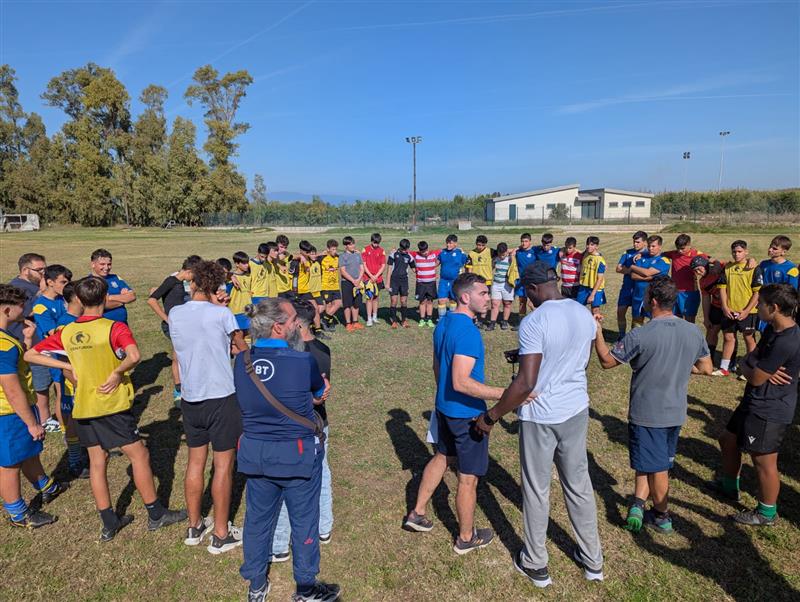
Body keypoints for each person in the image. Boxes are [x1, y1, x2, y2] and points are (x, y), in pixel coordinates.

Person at [25, 276, 186, 541]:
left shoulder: (67, 332)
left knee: (98, 461)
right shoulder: (113, 328)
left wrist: (66, 366)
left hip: (84, 406)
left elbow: (31, 355)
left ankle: (108, 520)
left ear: (78, 299)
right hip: (111, 405)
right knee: (140, 455)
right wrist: (116, 373)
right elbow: (134, 356)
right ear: (104, 299)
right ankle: (156, 514)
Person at [475, 261, 604, 589]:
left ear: (532, 289)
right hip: (576, 409)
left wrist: (491, 416)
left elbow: (526, 384)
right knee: (578, 484)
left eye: (525, 293)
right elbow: (573, 356)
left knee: (536, 490)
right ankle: (593, 561)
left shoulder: (534, 321)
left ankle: (535, 563)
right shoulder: (583, 312)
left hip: (541, 416)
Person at [234, 299, 338, 602]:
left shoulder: (241, 362)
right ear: (279, 327)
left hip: (255, 453)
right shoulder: (302, 361)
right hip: (296, 455)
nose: (299, 325)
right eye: (294, 320)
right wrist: (318, 396)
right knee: (304, 520)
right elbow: (318, 394)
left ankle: (256, 583)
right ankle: (306, 587)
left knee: (256, 520)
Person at [593, 278, 712, 534]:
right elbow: (706, 368)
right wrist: (679, 366)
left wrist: (598, 333)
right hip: (676, 412)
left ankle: (661, 515)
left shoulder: (641, 334)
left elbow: (606, 361)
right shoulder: (693, 331)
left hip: (648, 413)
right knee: (653, 461)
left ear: (653, 301)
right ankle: (638, 502)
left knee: (657, 468)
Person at [403, 273, 504, 555]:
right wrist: (507, 395)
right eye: (483, 293)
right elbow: (462, 382)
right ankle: (465, 537)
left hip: (444, 406)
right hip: (467, 415)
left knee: (442, 456)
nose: (488, 298)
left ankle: (417, 513)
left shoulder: (443, 322)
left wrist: (443, 397)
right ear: (465, 297)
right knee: (468, 478)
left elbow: (438, 368)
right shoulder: (469, 332)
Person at [169, 260, 248, 554]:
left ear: (192, 284)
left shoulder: (176, 313)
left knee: (195, 462)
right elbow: (242, 348)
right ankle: (220, 533)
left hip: (191, 398)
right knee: (224, 467)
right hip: (221, 397)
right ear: (216, 287)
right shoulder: (223, 314)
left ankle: (194, 526)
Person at [715, 284, 800, 526]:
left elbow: (754, 375)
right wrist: (751, 364)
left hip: (769, 408)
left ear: (773, 308)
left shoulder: (787, 341)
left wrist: (750, 366)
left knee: (763, 461)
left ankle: (766, 513)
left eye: (760, 304)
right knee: (727, 439)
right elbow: (752, 359)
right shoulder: (773, 330)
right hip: (754, 400)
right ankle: (730, 487)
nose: (756, 307)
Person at [271, 299, 334, 562]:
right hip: (319, 423)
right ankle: (324, 527)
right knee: (322, 474)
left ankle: (279, 543)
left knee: (284, 481)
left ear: (297, 324)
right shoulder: (322, 349)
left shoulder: (289, 355)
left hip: (292, 426)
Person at [0, 284, 67, 528]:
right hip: (9, 412)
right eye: (21, 307)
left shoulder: (7, 338)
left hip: (13, 409)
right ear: (8, 310)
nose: (25, 311)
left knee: (26, 451)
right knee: (9, 464)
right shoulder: (3, 345)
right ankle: (18, 514)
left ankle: (47, 486)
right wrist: (31, 422)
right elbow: (11, 387)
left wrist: (27, 340)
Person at [7, 252, 60, 433]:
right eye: (40, 270)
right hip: (28, 344)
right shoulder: (18, 287)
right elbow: (28, 311)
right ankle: (44, 419)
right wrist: (44, 292)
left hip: (39, 343)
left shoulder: (32, 284)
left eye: (45, 269)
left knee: (45, 381)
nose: (44, 274)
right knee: (40, 384)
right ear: (25, 270)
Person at [147, 255, 201, 405]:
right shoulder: (171, 281)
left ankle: (189, 385)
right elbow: (151, 300)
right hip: (173, 325)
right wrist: (166, 319)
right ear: (190, 271)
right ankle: (179, 390)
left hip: (184, 324)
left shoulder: (183, 283)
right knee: (178, 356)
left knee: (186, 354)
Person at [714, 240, 763, 377]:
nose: (736, 254)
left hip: (748, 312)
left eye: (740, 251)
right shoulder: (728, 268)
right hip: (730, 310)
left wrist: (747, 310)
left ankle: (750, 368)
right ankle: (724, 368)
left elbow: (757, 292)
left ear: (746, 252)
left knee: (749, 339)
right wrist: (724, 307)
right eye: (734, 252)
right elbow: (722, 289)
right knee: (728, 338)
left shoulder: (754, 268)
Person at [31, 265, 72, 427]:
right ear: (50, 282)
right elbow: (52, 333)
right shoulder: (41, 306)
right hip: (55, 355)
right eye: (63, 282)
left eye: (68, 282)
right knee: (62, 391)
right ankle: (66, 430)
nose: (66, 285)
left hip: (69, 351)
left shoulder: (63, 299)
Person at [56, 281, 88, 478]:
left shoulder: (81, 319)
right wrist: (78, 385)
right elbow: (63, 361)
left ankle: (93, 449)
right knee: (72, 423)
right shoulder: (64, 325)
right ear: (77, 298)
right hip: (72, 384)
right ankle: (75, 460)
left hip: (85, 381)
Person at [757, 236, 798, 331]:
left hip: (778, 308)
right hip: (764, 305)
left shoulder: (791, 269)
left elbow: (791, 293)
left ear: (783, 252)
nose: (770, 249)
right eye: (770, 246)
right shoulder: (763, 264)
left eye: (775, 248)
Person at [629, 235, 671, 327]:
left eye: (653, 246)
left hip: (654, 297)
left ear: (660, 246)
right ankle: (636, 340)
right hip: (638, 295)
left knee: (655, 320)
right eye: (649, 246)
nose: (650, 248)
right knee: (636, 320)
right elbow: (633, 275)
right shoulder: (641, 258)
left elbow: (647, 273)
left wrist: (632, 266)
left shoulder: (664, 260)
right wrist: (649, 278)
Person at [664, 234, 705, 323]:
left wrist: (702, 267)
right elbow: (658, 254)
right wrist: (642, 254)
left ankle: (689, 337)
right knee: (675, 320)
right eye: (678, 248)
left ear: (689, 245)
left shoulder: (696, 254)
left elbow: (709, 260)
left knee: (689, 321)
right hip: (674, 291)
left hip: (689, 293)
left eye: (682, 248)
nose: (680, 251)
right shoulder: (674, 253)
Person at [693, 256, 725, 366]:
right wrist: (706, 318)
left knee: (729, 335)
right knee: (711, 331)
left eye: (699, 268)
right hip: (716, 306)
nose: (698, 272)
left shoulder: (719, 269)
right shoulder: (702, 282)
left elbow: (724, 262)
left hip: (731, 306)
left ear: (706, 266)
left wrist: (714, 260)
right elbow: (706, 300)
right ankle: (709, 357)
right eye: (695, 270)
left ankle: (730, 361)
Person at [615, 231, 648, 340]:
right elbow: (618, 268)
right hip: (626, 288)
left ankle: (634, 338)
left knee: (637, 316)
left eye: (638, 242)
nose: (635, 244)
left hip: (640, 290)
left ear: (645, 242)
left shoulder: (648, 255)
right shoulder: (628, 252)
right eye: (634, 242)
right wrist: (631, 271)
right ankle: (621, 335)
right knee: (620, 311)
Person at [89, 248, 136, 323]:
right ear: (93, 264)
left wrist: (110, 297)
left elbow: (132, 296)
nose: (106, 268)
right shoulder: (88, 282)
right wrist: (123, 299)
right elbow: (100, 305)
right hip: (103, 326)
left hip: (122, 325)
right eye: (102, 264)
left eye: (109, 264)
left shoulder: (115, 278)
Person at [437, 234, 468, 320]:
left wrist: (465, 277)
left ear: (455, 244)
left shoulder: (460, 253)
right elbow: (436, 263)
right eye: (447, 243)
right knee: (441, 300)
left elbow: (468, 265)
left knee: (453, 300)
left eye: (450, 243)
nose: (448, 245)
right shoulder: (442, 252)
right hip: (443, 280)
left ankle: (451, 318)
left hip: (455, 281)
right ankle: (441, 319)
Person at [386, 239, 416, 329]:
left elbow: (414, 269)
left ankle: (404, 320)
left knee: (403, 301)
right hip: (394, 280)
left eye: (406, 249)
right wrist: (387, 283)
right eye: (403, 249)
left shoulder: (409, 256)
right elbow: (389, 269)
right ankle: (394, 321)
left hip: (404, 281)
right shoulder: (393, 254)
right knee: (394, 301)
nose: (405, 251)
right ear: (400, 247)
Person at [466, 235, 493, 328]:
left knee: (484, 301)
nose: (479, 247)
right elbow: (469, 268)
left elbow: (503, 251)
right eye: (478, 245)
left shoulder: (490, 251)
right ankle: (474, 318)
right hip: (476, 282)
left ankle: (481, 320)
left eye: (482, 245)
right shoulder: (471, 253)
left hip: (487, 282)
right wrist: (470, 280)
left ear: (485, 245)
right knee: (474, 301)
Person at [410, 241, 439, 328]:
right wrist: (396, 250)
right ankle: (422, 319)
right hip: (421, 283)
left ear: (428, 248)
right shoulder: (415, 254)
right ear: (419, 251)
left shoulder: (433, 253)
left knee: (430, 301)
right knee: (422, 301)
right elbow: (405, 251)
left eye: (426, 251)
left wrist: (458, 249)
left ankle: (429, 319)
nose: (425, 253)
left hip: (431, 283)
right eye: (423, 252)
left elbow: (444, 251)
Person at [576, 236, 606, 316]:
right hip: (584, 287)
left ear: (597, 246)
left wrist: (592, 295)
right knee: (578, 308)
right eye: (587, 244)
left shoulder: (600, 260)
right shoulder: (585, 254)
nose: (589, 246)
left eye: (592, 244)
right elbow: (578, 252)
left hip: (596, 289)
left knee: (595, 311)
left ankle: (597, 328)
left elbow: (600, 279)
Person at [339, 236, 365, 331]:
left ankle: (355, 322)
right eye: (350, 244)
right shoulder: (342, 256)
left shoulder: (358, 255)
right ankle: (348, 323)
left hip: (358, 283)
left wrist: (358, 279)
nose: (353, 246)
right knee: (347, 304)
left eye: (353, 243)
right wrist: (353, 280)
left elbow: (362, 268)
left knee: (356, 303)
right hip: (347, 283)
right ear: (346, 246)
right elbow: (343, 271)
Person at [487, 242, 514, 331]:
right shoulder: (495, 259)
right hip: (496, 284)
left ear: (506, 252)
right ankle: (492, 323)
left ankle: (505, 321)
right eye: (500, 254)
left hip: (507, 285)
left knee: (507, 303)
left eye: (503, 254)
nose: (502, 256)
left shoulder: (510, 258)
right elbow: (491, 268)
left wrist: (510, 252)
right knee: (494, 304)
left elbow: (517, 249)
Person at [362, 233, 386, 327]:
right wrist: (371, 276)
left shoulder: (382, 251)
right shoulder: (365, 249)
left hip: (378, 278)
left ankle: (375, 316)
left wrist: (376, 276)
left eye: (377, 243)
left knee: (376, 297)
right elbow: (364, 264)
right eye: (374, 242)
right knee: (369, 297)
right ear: (371, 241)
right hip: (368, 279)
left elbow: (383, 265)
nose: (376, 245)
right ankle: (369, 318)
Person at [512, 233, 537, 319]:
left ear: (530, 242)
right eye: (522, 241)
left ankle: (540, 318)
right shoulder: (518, 252)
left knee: (532, 303)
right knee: (522, 302)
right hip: (521, 281)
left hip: (532, 281)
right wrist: (516, 249)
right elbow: (508, 251)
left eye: (526, 241)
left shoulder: (534, 251)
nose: (524, 243)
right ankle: (521, 321)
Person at [320, 240, 342, 331]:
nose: (334, 251)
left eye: (335, 249)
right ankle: (330, 322)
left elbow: (345, 256)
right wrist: (321, 253)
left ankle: (325, 319)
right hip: (326, 286)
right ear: (328, 249)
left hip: (335, 286)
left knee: (338, 303)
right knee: (328, 305)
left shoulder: (337, 258)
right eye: (332, 249)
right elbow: (311, 256)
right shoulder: (322, 258)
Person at [230, 251, 253, 332]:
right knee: (238, 337)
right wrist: (231, 276)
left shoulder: (248, 276)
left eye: (247, 263)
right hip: (236, 312)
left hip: (248, 311)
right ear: (237, 264)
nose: (247, 265)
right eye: (244, 263)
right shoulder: (231, 278)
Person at [274, 235, 294, 299]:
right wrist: (279, 265)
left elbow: (294, 256)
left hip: (288, 288)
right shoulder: (273, 256)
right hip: (278, 290)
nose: (283, 250)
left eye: (285, 247)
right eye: (281, 247)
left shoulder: (287, 254)